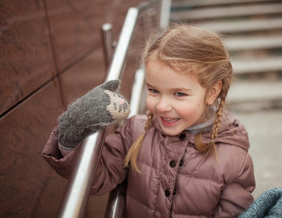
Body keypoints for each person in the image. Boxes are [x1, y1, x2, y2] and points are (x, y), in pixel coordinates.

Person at [42, 24, 255, 217]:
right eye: (153, 90)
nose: (162, 106)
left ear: (212, 92)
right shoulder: (135, 131)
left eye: (179, 94)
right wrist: (72, 127)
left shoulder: (234, 159)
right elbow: (97, 178)